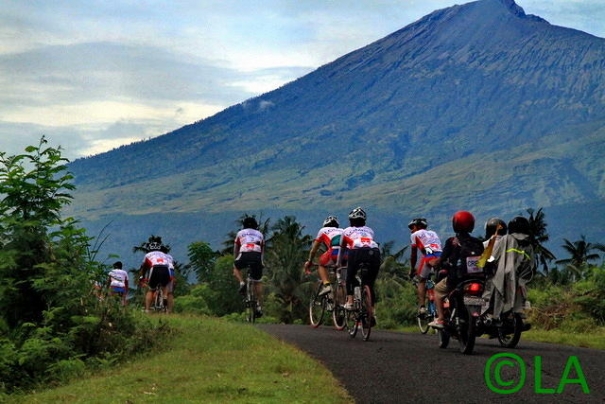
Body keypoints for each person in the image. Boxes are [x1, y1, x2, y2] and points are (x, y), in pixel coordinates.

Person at [429, 211, 484, 329]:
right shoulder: (477, 242)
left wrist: (434, 263)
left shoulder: (451, 242)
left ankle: (441, 319)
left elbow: (442, 259)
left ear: (455, 224)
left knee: (437, 291)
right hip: (478, 278)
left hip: (457, 279)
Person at [486, 216, 536, 320]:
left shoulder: (506, 239)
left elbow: (494, 256)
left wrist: (487, 264)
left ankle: (493, 314)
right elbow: (530, 265)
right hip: (520, 277)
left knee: (493, 289)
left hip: (503, 275)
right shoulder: (529, 245)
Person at [337, 207, 381, 316]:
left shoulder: (346, 231)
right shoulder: (370, 230)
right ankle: (372, 310)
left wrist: (338, 263)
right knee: (370, 283)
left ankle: (350, 301)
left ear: (351, 221)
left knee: (350, 276)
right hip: (374, 251)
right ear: (364, 221)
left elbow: (342, 249)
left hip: (357, 250)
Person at [407, 218, 443, 315]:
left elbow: (413, 255)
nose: (411, 230)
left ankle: (422, 307)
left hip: (429, 256)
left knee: (421, 280)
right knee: (441, 280)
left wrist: (411, 269)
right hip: (441, 257)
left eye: (412, 227)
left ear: (418, 227)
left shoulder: (414, 235)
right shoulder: (433, 233)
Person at [233, 216, 265, 317]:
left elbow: (236, 248)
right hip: (256, 256)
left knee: (236, 268)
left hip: (244, 254)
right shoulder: (260, 234)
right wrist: (261, 262)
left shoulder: (240, 233)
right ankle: (259, 305)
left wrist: (236, 259)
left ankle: (242, 282)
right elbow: (262, 250)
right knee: (257, 281)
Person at [304, 215, 344, 296]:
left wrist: (310, 261)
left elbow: (314, 250)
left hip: (334, 252)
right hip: (346, 253)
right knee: (343, 279)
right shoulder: (342, 230)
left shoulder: (323, 230)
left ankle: (326, 285)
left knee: (321, 264)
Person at [140, 241, 172, 313]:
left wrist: (142, 277)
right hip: (166, 269)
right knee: (165, 284)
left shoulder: (148, 255)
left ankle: (147, 310)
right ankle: (165, 297)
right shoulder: (165, 255)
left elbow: (144, 267)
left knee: (151, 290)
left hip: (155, 269)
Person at [161, 245, 176, 313]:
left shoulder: (157, 256)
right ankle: (169, 311)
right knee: (170, 292)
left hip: (161, 269)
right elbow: (173, 265)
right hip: (171, 270)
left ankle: (163, 296)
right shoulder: (170, 257)